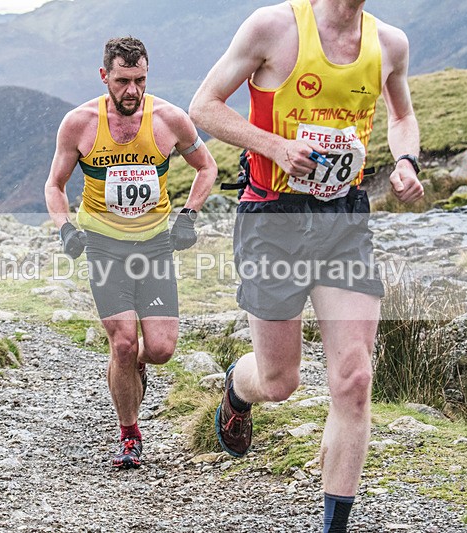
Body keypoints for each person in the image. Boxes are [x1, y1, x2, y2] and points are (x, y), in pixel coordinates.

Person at [189, 1, 423, 531]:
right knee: (279, 381)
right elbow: (203, 106)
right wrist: (274, 145)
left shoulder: (389, 43)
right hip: (273, 218)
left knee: (354, 377)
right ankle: (237, 386)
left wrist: (406, 162)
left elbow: (402, 116)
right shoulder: (273, 27)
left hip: (344, 221)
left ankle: (333, 525)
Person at [45, 37, 217, 470]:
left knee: (158, 349)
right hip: (104, 244)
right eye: (123, 81)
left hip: (155, 244)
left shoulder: (169, 119)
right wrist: (66, 229)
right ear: (105, 76)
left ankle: (134, 366)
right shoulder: (79, 123)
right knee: (123, 343)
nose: (132, 91)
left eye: (140, 80)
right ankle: (129, 434)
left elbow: (207, 167)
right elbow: (55, 185)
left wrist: (188, 217)